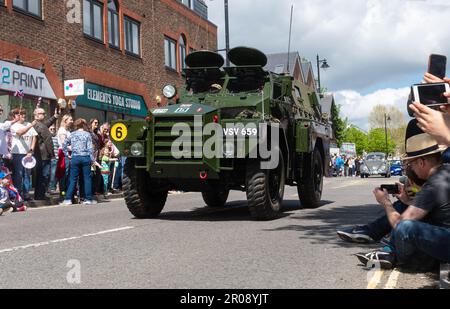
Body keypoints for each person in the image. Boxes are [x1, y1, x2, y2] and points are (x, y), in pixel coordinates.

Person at [355, 119, 450, 270]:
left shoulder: (433, 185)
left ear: (422, 162)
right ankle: (389, 252)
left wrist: (385, 202)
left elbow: (400, 225)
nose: (410, 167)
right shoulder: (445, 171)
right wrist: (407, 201)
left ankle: (393, 255)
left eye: (411, 163)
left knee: (405, 228)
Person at [60, 118, 97, 205]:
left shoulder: (72, 134)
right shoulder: (87, 134)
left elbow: (64, 144)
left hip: (75, 157)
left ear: (76, 125)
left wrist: (67, 154)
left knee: (72, 179)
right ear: (84, 125)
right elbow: (90, 148)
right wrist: (92, 160)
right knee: (87, 178)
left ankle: (68, 199)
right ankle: (88, 199)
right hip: (85, 157)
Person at [10, 109, 37, 200]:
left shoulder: (28, 124)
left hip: (28, 153)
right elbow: (20, 132)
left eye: (24, 114)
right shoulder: (14, 125)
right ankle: (18, 194)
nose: (23, 116)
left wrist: (31, 149)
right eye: (21, 114)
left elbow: (34, 137)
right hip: (18, 153)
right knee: (19, 174)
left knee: (27, 175)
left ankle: (26, 194)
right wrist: (31, 125)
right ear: (16, 116)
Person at [33, 107, 59, 200]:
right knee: (44, 176)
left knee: (40, 175)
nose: (44, 115)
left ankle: (39, 195)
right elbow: (48, 141)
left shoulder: (38, 124)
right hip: (43, 155)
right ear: (36, 115)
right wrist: (52, 155)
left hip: (39, 154)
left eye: (44, 113)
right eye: (42, 113)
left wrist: (54, 117)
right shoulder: (40, 126)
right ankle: (40, 195)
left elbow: (46, 124)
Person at [57, 114, 73, 196]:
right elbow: (64, 144)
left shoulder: (67, 131)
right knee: (64, 172)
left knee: (68, 172)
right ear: (65, 120)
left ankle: (66, 189)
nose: (72, 121)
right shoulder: (62, 130)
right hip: (64, 153)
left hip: (68, 152)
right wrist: (72, 148)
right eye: (70, 119)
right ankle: (62, 190)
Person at [48, 125, 59, 194]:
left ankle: (54, 187)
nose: (52, 130)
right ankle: (51, 187)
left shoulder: (57, 138)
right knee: (52, 174)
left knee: (56, 174)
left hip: (57, 158)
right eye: (51, 129)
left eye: (53, 129)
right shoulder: (48, 138)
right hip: (52, 158)